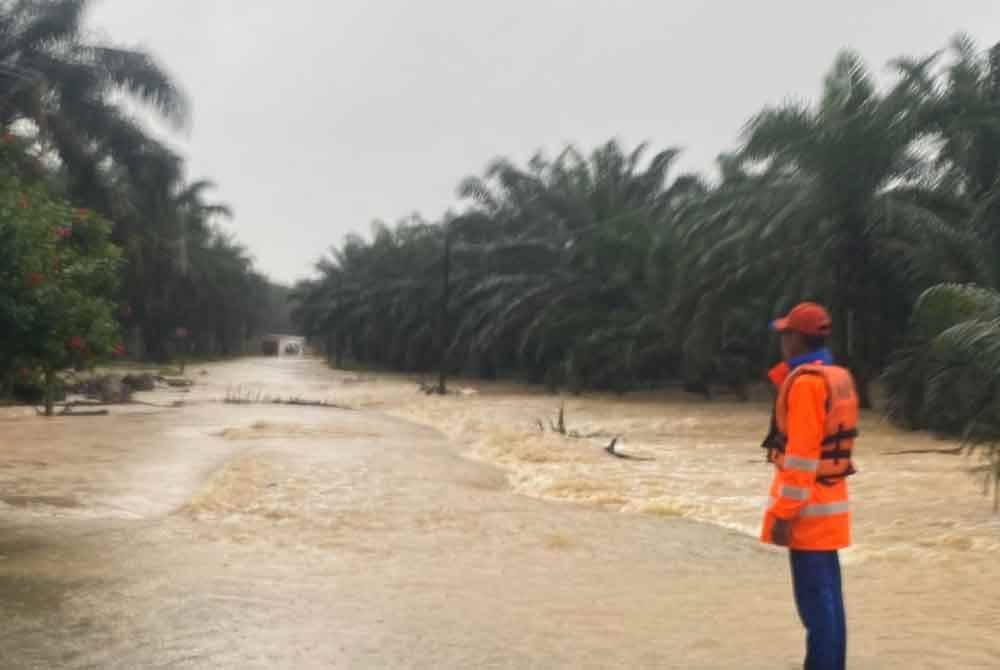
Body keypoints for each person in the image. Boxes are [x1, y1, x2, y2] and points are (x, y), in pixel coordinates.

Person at [760, 302, 858, 670]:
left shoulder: (806, 386)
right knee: (829, 602)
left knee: (816, 607)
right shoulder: (836, 376)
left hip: (808, 514)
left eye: (786, 334)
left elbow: (801, 460)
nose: (782, 342)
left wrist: (784, 515)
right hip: (830, 506)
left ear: (797, 340)